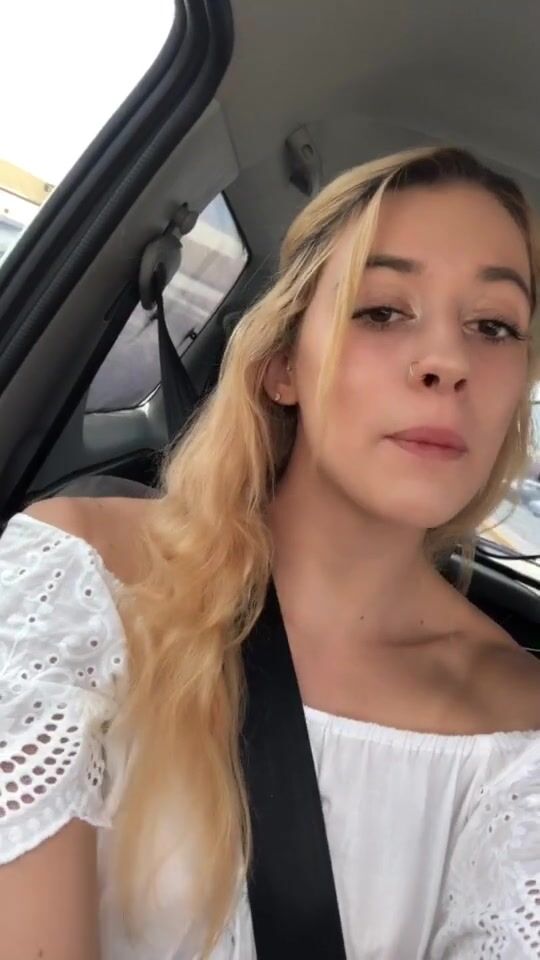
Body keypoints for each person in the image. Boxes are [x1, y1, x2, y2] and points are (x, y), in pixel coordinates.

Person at [1, 145, 540, 960]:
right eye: (382, 311)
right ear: (284, 364)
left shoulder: (520, 732)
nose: (448, 362)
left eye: (493, 326)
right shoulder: (80, 580)